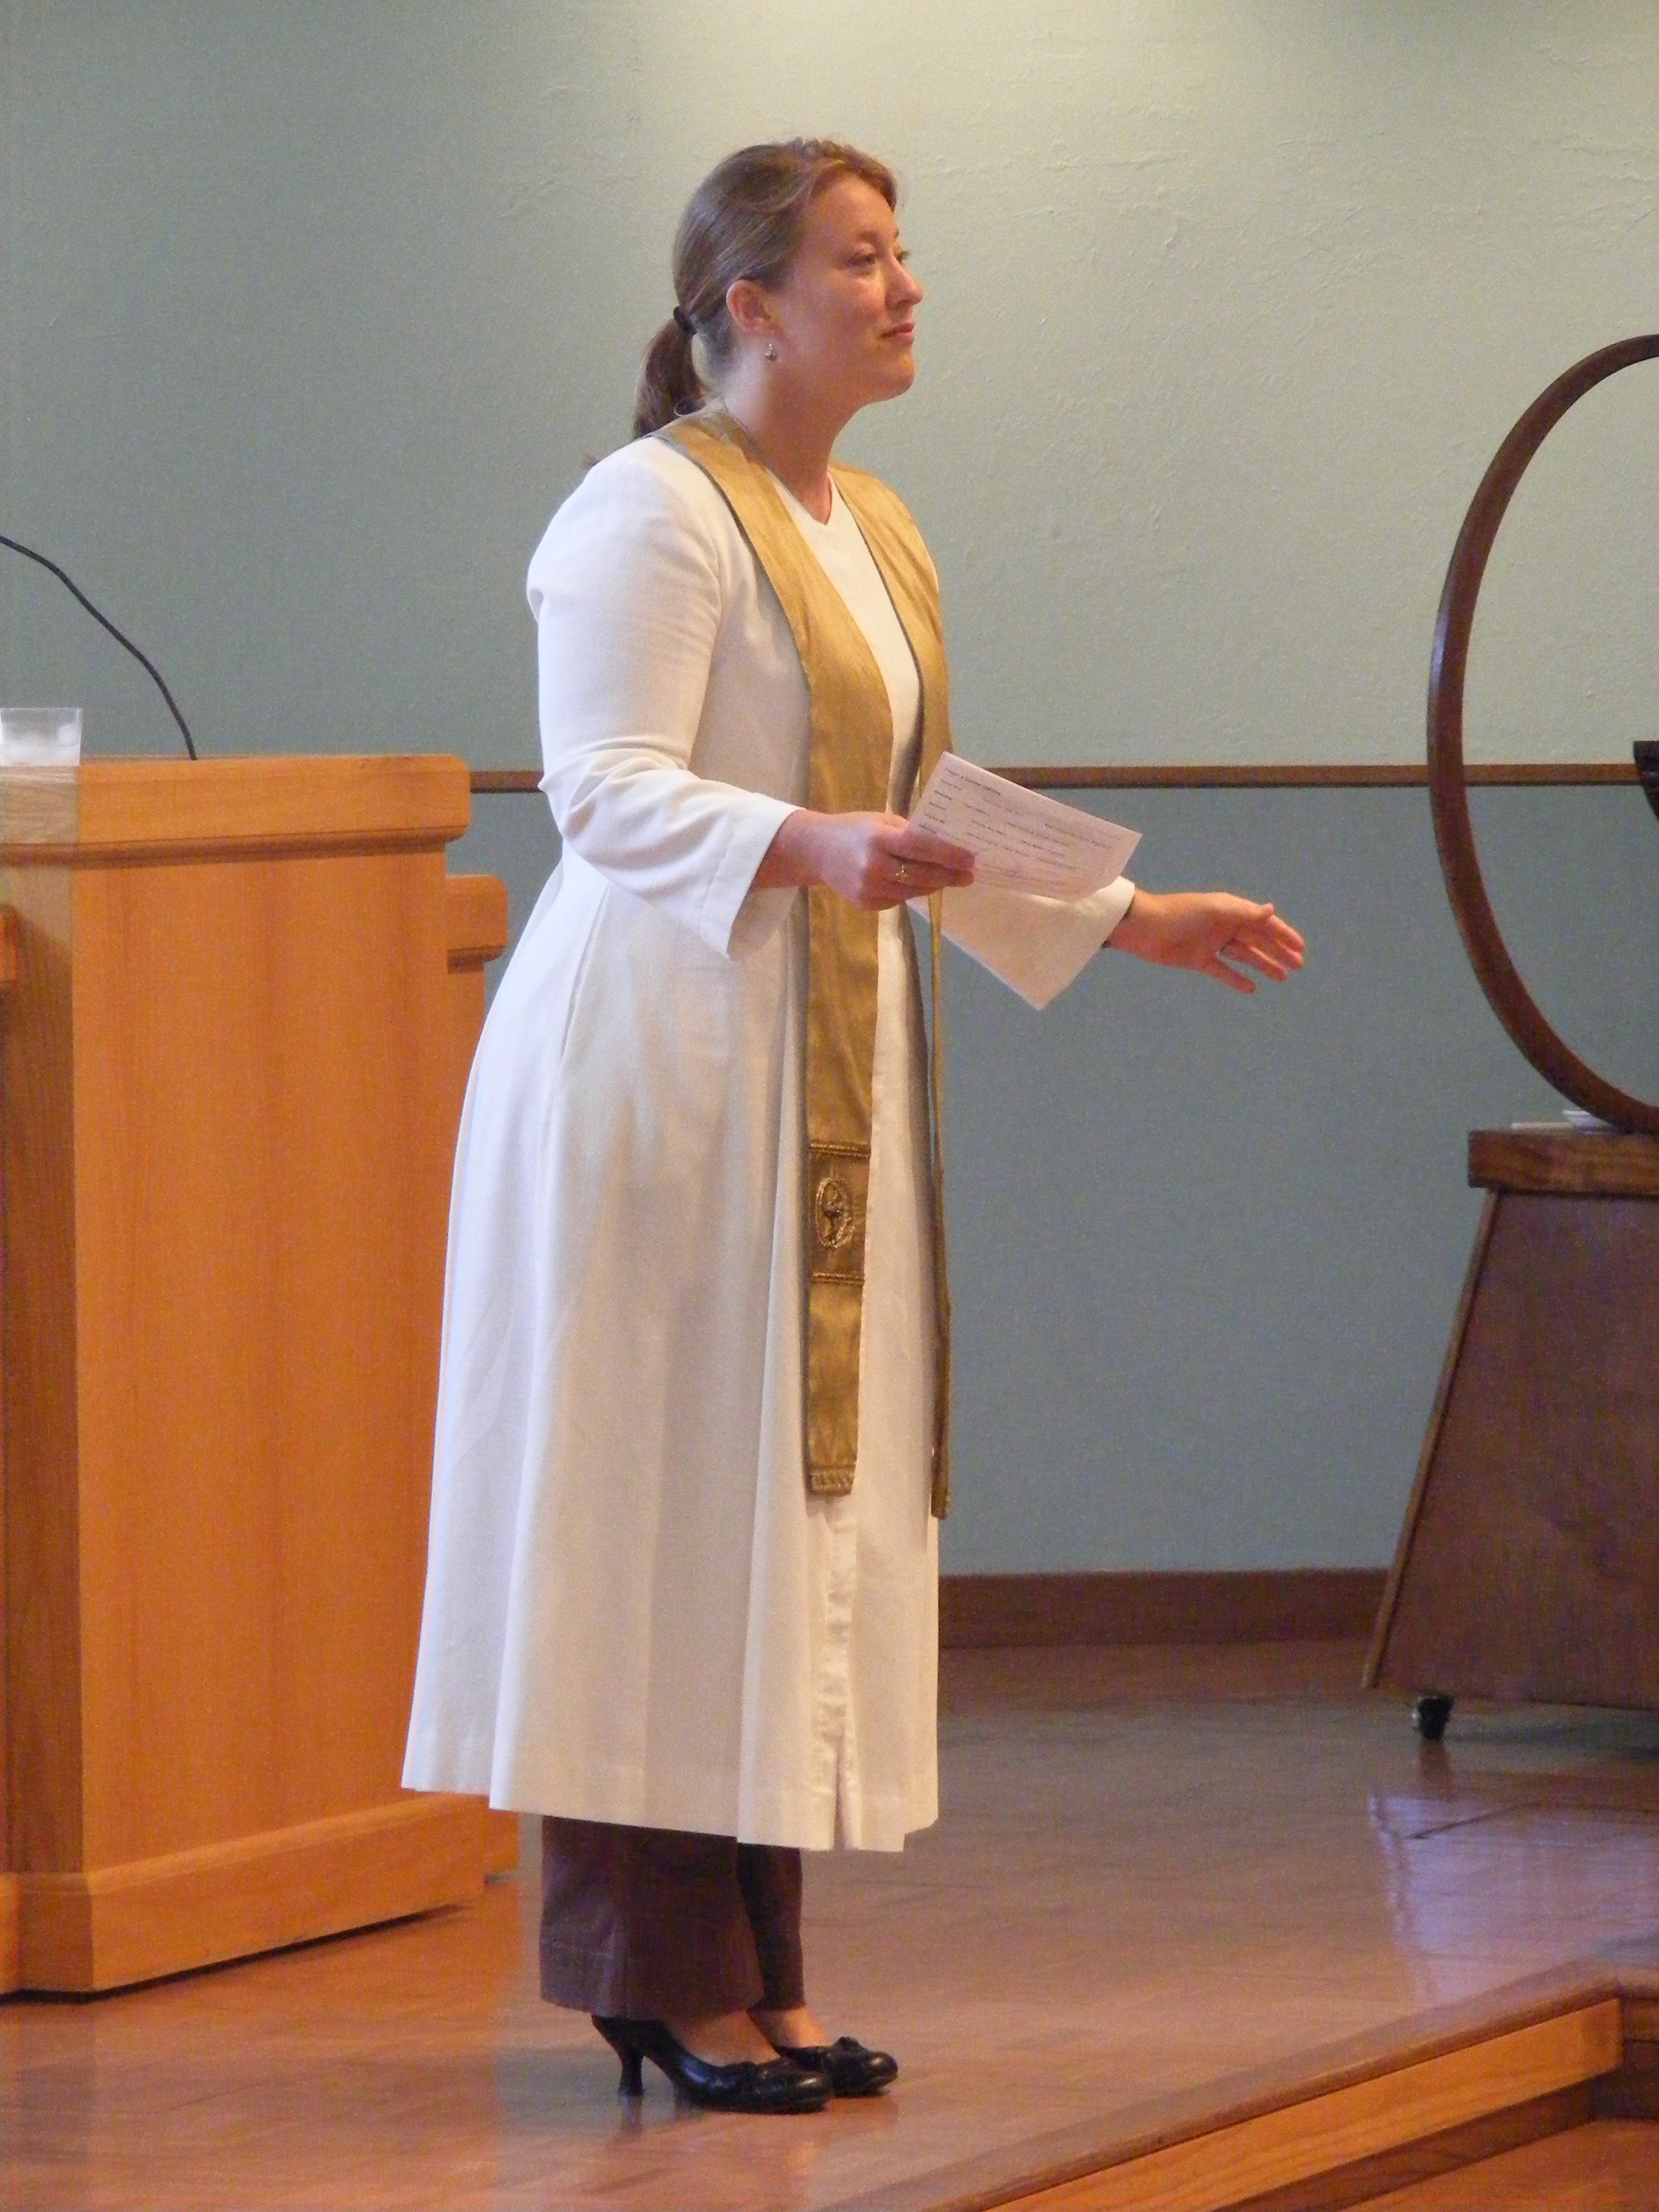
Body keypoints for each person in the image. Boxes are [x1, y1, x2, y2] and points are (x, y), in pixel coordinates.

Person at [403, 138, 1304, 2118]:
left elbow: (923, 806)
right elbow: (598, 787)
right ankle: (658, 1976)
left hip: (810, 1065)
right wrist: (806, 844)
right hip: (661, 1066)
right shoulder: (646, 511)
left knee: (772, 1510)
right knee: (659, 1505)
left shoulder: (871, 524)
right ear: (751, 306)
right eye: (864, 259)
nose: (906, 289)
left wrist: (1125, 914)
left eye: (904, 257)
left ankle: (764, 1973)